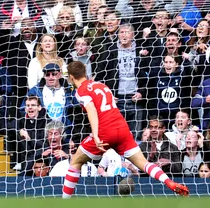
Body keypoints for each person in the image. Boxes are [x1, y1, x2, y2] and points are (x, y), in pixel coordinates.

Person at [61, 61, 189, 198]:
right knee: (143, 163)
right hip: (122, 128)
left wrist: (96, 135)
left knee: (75, 162)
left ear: (71, 77)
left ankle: (65, 203)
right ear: (85, 73)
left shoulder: (80, 91)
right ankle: (169, 182)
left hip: (105, 131)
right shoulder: (102, 85)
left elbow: (91, 110)